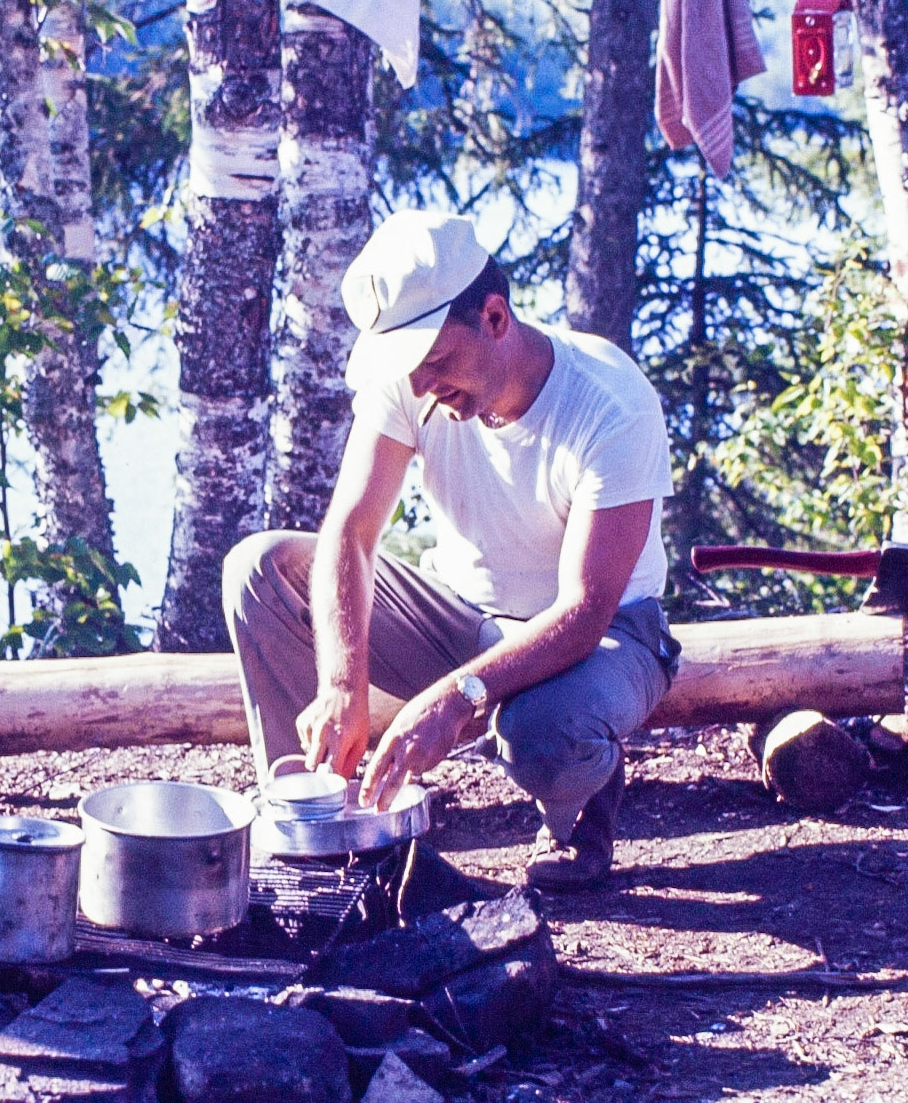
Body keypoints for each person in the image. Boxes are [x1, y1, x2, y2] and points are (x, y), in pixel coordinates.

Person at [223, 210, 680, 891]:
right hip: (463, 613)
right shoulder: (414, 377)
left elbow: (585, 611)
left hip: (606, 637)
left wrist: (456, 698)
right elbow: (351, 532)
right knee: (261, 570)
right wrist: (342, 684)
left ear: (494, 317)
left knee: (542, 732)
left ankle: (578, 814)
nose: (419, 386)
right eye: (407, 367)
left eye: (434, 362)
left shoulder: (611, 404)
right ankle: (309, 814)